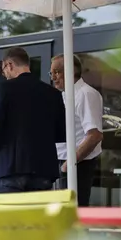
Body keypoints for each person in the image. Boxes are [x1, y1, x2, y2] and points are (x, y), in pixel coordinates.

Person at [0, 47, 66, 240]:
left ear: (9, 65)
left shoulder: (6, 89)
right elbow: (61, 132)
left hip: (11, 168)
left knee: (4, 232)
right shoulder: (52, 93)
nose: (3, 73)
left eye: (3, 69)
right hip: (43, 169)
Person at [50, 55, 104, 208]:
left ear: (71, 70)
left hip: (76, 165)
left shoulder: (86, 94)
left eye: (57, 72)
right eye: (51, 73)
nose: (53, 77)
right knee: (62, 217)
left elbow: (94, 135)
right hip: (61, 163)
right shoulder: (64, 95)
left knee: (74, 217)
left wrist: (70, 164)